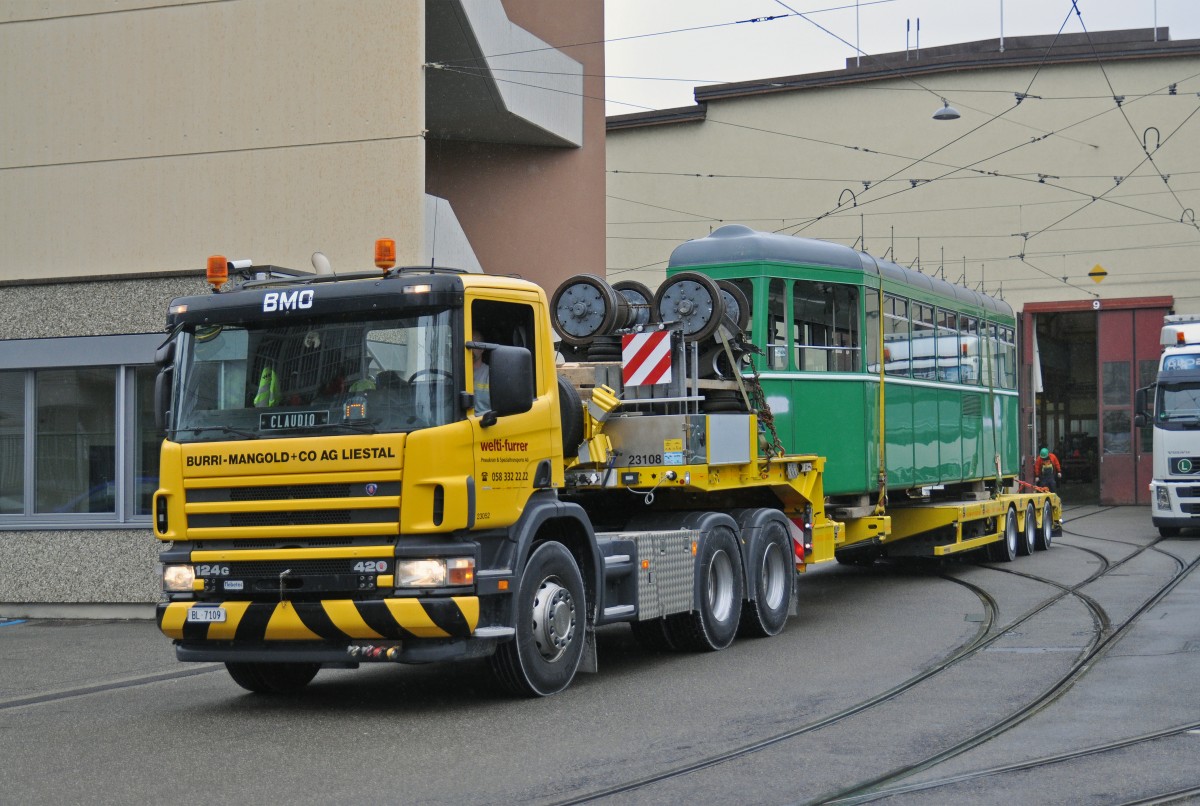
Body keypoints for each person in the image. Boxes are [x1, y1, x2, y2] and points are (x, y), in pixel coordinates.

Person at [472, 328, 490, 411]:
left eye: (473, 344)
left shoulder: (490, 375)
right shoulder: (456, 374)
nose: (469, 348)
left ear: (482, 349)